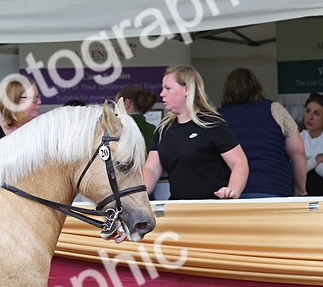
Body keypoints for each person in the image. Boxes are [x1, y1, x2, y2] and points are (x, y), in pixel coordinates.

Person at [143, 65, 249, 200]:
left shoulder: (212, 124)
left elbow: (239, 162)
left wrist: (232, 191)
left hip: (211, 208)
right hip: (178, 208)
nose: (162, 94)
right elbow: (151, 169)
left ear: (186, 89)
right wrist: (135, 196)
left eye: (168, 88)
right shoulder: (163, 129)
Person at [218, 68, 306, 198]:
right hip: (275, 188)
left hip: (233, 192)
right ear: (256, 87)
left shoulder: (218, 116)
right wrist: (300, 189)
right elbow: (298, 152)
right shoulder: (275, 109)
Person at [0, 77, 41, 155]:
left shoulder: (39, 129)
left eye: (38, 97)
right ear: (14, 101)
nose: (39, 102)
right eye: (33, 98)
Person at [116, 85, 157, 152]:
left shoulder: (120, 129)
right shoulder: (153, 129)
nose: (115, 109)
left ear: (127, 103)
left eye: (117, 104)